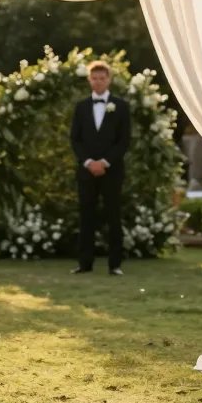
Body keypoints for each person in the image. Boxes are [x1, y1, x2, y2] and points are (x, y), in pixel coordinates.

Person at [70, 61, 131, 275]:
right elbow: (75, 140)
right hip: (86, 171)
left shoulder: (121, 106)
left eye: (102, 78)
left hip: (112, 171)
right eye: (94, 78)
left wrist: (105, 162)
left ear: (109, 79)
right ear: (89, 80)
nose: (98, 82)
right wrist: (88, 162)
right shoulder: (81, 107)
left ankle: (115, 265)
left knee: (113, 215)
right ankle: (85, 263)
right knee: (86, 216)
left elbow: (124, 141)